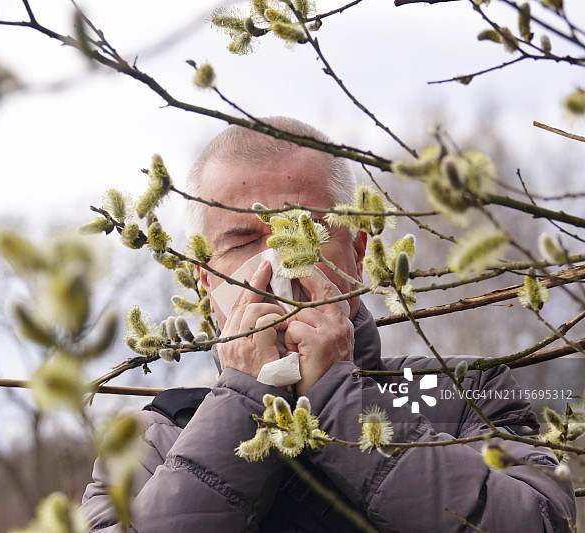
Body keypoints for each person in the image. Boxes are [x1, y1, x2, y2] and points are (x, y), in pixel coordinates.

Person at [80, 117, 575, 532]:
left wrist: (339, 400)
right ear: (207, 280)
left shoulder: (462, 393)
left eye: (304, 232)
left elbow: (538, 521)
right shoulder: (154, 437)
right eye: (242, 241)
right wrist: (243, 401)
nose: (275, 263)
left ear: (357, 254)